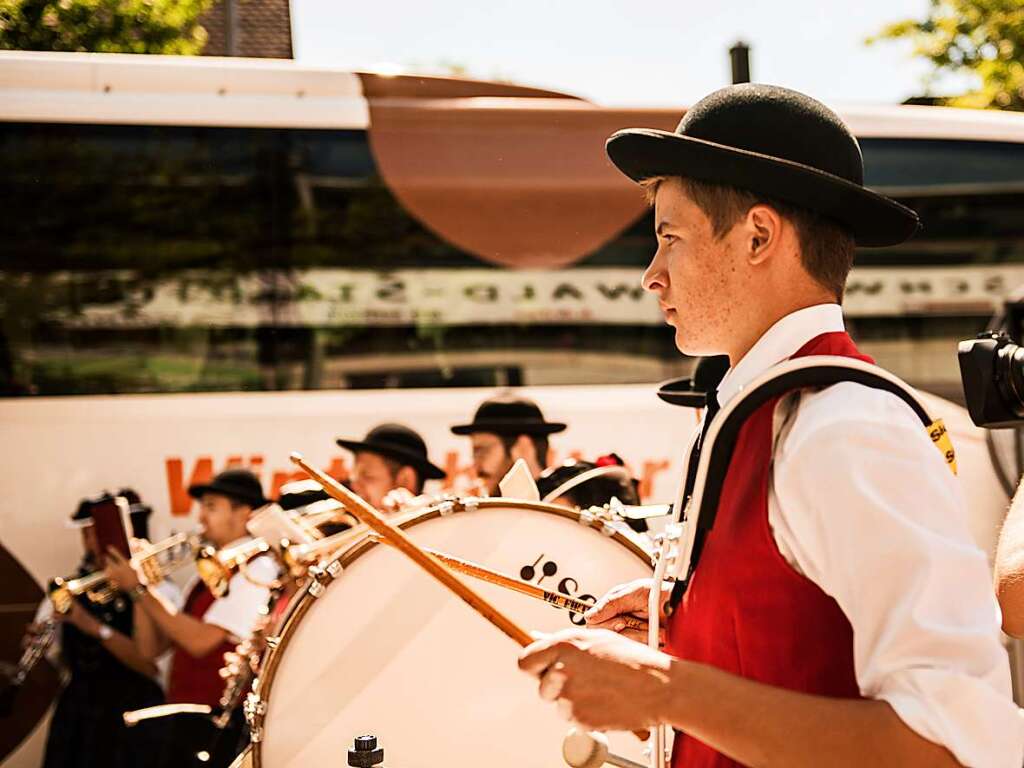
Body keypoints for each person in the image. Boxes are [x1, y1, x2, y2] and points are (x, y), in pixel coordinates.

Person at [518, 83, 1022, 767]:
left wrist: (665, 688)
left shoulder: (843, 427)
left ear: (758, 235)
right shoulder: (765, 405)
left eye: (670, 238)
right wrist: (694, 620)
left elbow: (956, 747)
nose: (651, 275)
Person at [105, 469, 277, 768]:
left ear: (244, 514)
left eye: (211, 507)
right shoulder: (207, 573)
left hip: (219, 722)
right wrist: (140, 588)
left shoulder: (257, 569)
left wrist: (140, 586)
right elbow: (152, 649)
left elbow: (200, 642)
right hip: (187, 719)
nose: (200, 518)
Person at [39, 492, 171, 768]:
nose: (91, 543)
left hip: (131, 715)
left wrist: (92, 626)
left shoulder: (158, 591)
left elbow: (152, 667)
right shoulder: (70, 588)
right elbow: (55, 657)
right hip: (79, 715)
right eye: (86, 535)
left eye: (97, 533)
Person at [451, 394, 565, 495]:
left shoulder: (564, 508)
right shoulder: (480, 514)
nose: (475, 464)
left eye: (481, 450)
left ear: (523, 447)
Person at [336, 423, 446, 511]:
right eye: (354, 477)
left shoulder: (435, 532)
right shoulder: (345, 524)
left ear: (405, 480)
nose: (354, 486)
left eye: (367, 476)